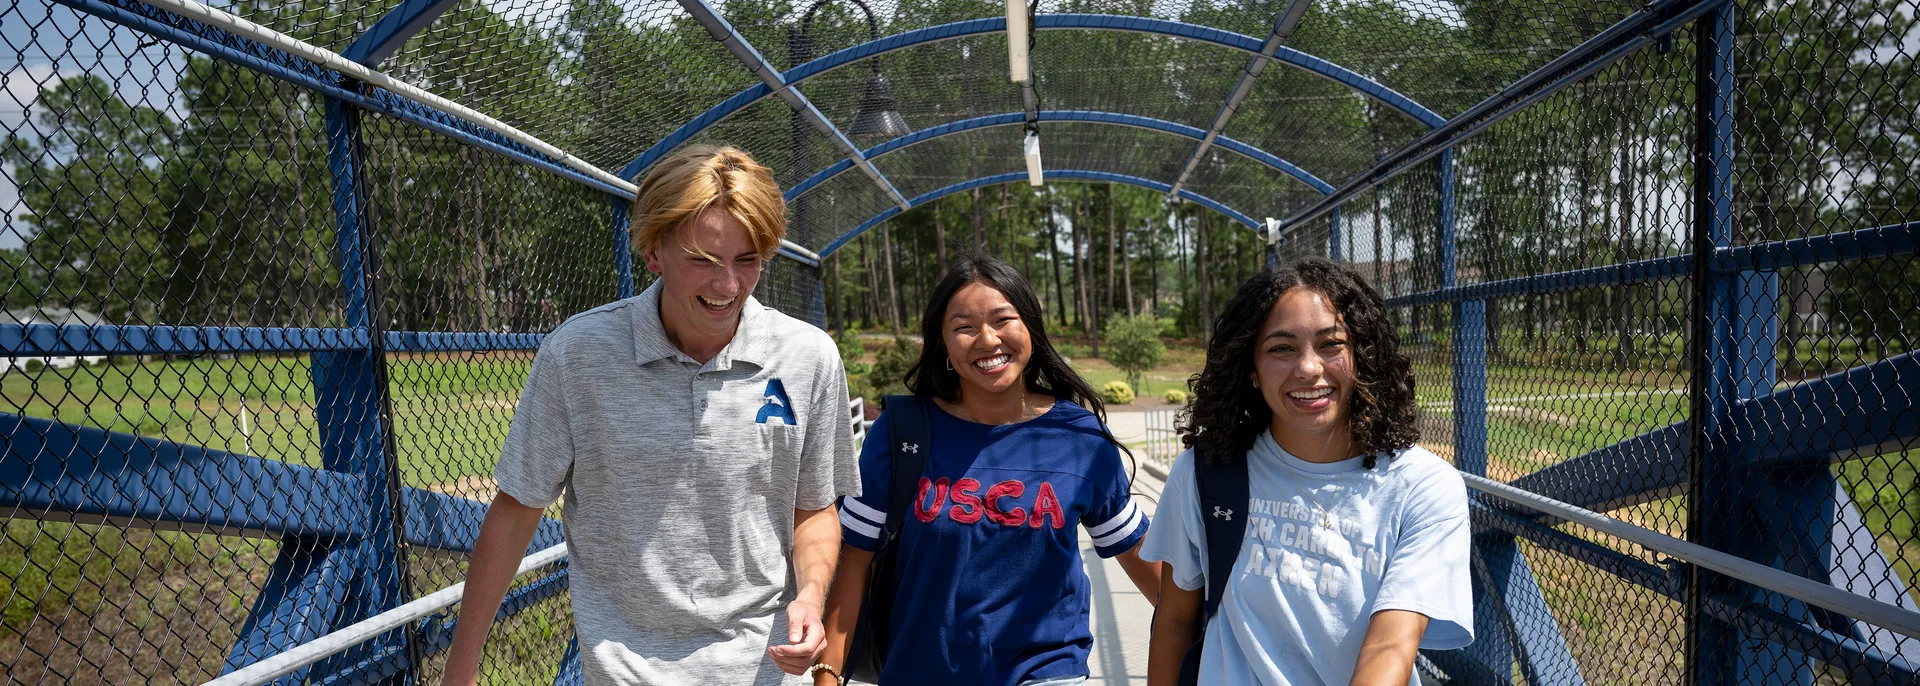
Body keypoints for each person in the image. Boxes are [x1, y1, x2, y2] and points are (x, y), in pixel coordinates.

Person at [441, 145, 859, 686]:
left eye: (747, 259)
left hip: (765, 670)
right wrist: (462, 663)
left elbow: (813, 507)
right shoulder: (580, 355)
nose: (727, 286)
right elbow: (518, 508)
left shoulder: (808, 357)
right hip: (625, 672)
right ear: (653, 251)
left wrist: (808, 595)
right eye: (702, 260)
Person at [810, 255, 1161, 686]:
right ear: (942, 345)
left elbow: (1137, 554)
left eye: (1003, 319)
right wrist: (827, 675)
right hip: (920, 671)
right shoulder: (901, 433)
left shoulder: (1081, 438)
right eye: (964, 327)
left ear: (1030, 327)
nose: (988, 340)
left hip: (1046, 670)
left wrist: (1211, 637)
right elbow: (854, 559)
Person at [1142, 257, 1472, 686]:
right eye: (1281, 348)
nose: (1309, 368)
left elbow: (1392, 646)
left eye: (1331, 343)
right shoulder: (1205, 474)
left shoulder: (1423, 487)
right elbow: (1174, 619)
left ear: (1362, 357)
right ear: (1251, 370)